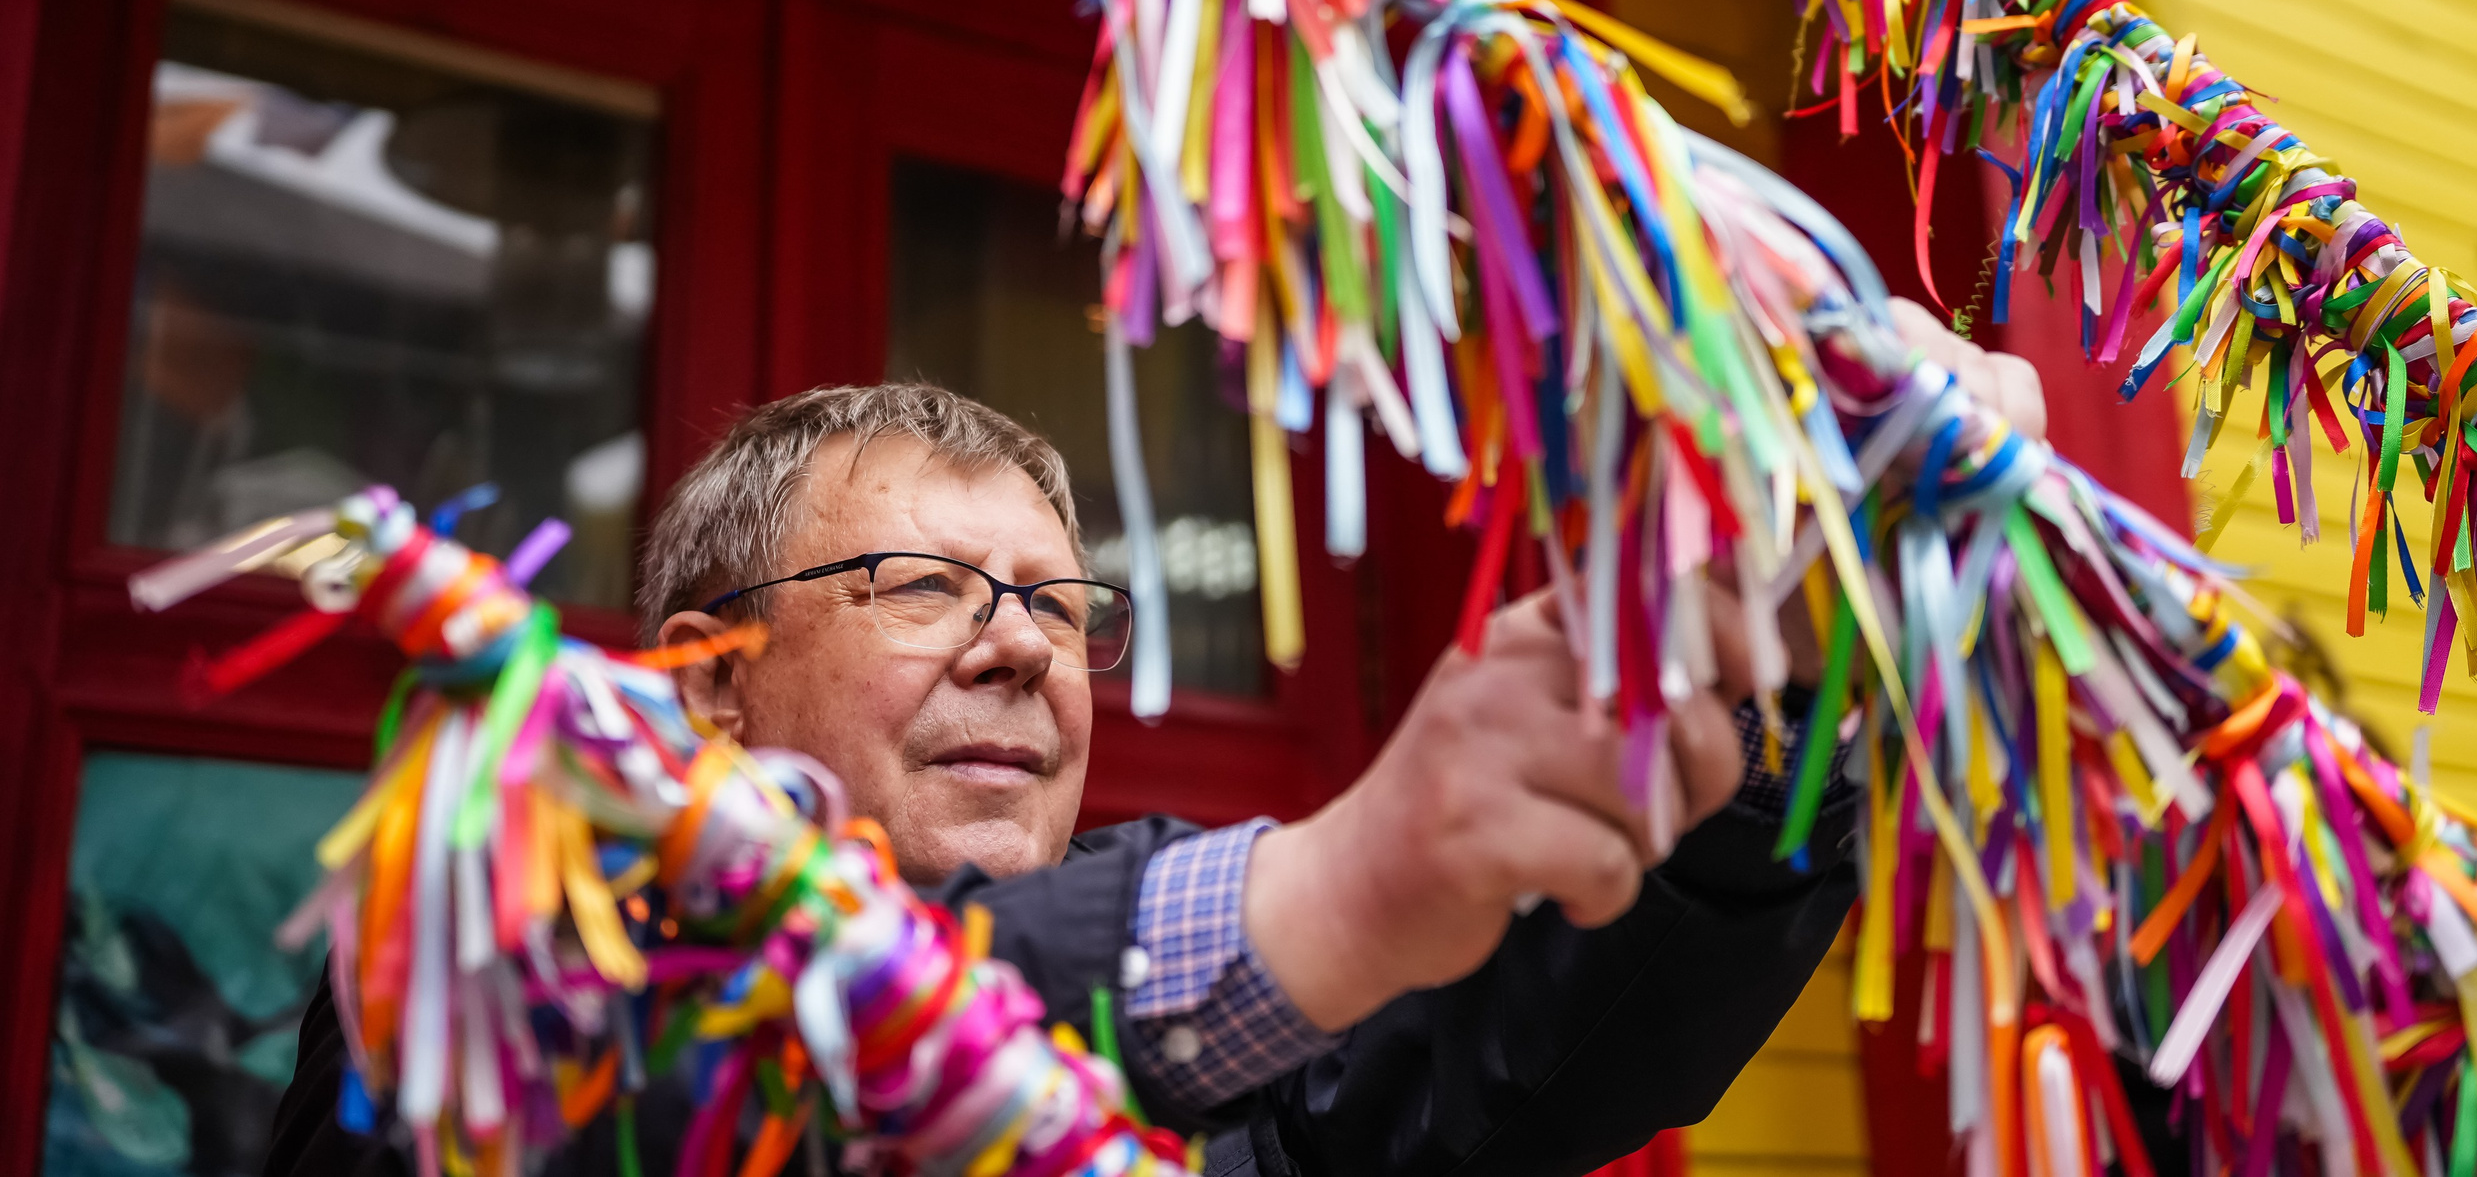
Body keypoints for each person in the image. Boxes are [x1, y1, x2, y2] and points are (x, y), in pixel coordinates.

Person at [267, 301, 2046, 1177]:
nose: (1024, 653)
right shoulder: (487, 936)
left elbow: (1528, 1058)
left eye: (1061, 606)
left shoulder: (1171, 928)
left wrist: (1786, 687)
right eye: (922, 586)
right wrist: (1339, 890)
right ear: (711, 677)